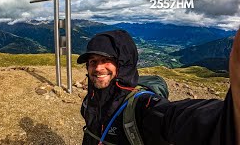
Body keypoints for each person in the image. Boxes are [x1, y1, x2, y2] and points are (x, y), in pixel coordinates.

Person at [77, 29, 240, 145]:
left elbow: (178, 117)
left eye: (106, 60)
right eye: (93, 62)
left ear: (123, 64)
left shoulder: (142, 106)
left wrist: (229, 118)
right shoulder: (91, 98)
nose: (98, 68)